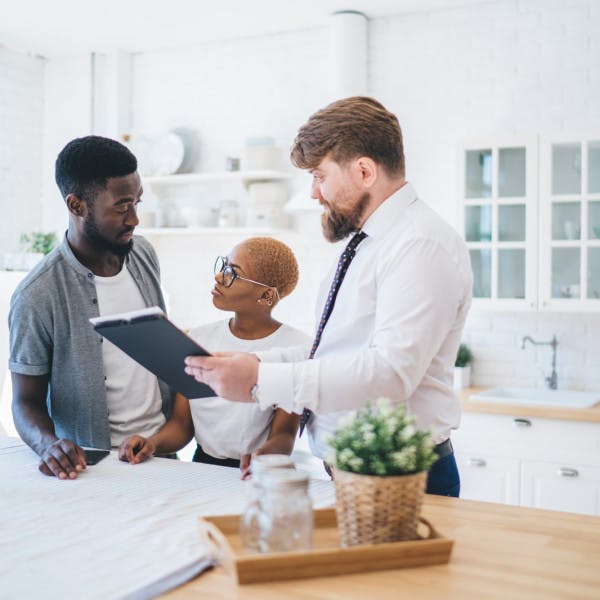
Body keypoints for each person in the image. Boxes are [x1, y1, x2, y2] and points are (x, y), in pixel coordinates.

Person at [183, 97, 472, 497]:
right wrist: (252, 362)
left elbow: (391, 373)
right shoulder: (369, 243)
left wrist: (260, 380)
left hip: (399, 479)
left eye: (319, 175)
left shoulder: (419, 245)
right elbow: (332, 352)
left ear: (365, 171)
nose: (314, 193)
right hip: (356, 472)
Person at [9, 135, 174, 480]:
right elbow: (25, 401)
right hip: (95, 468)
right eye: (122, 206)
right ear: (77, 205)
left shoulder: (143, 254)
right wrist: (47, 445)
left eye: (137, 202)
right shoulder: (37, 294)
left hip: (161, 453)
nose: (134, 219)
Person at [118, 237, 309, 478]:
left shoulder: (296, 349)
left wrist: (265, 456)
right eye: (223, 266)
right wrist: (152, 444)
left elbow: (284, 435)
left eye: (232, 273)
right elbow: (181, 426)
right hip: (201, 468)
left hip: (257, 472)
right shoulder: (198, 339)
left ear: (267, 296)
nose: (219, 277)